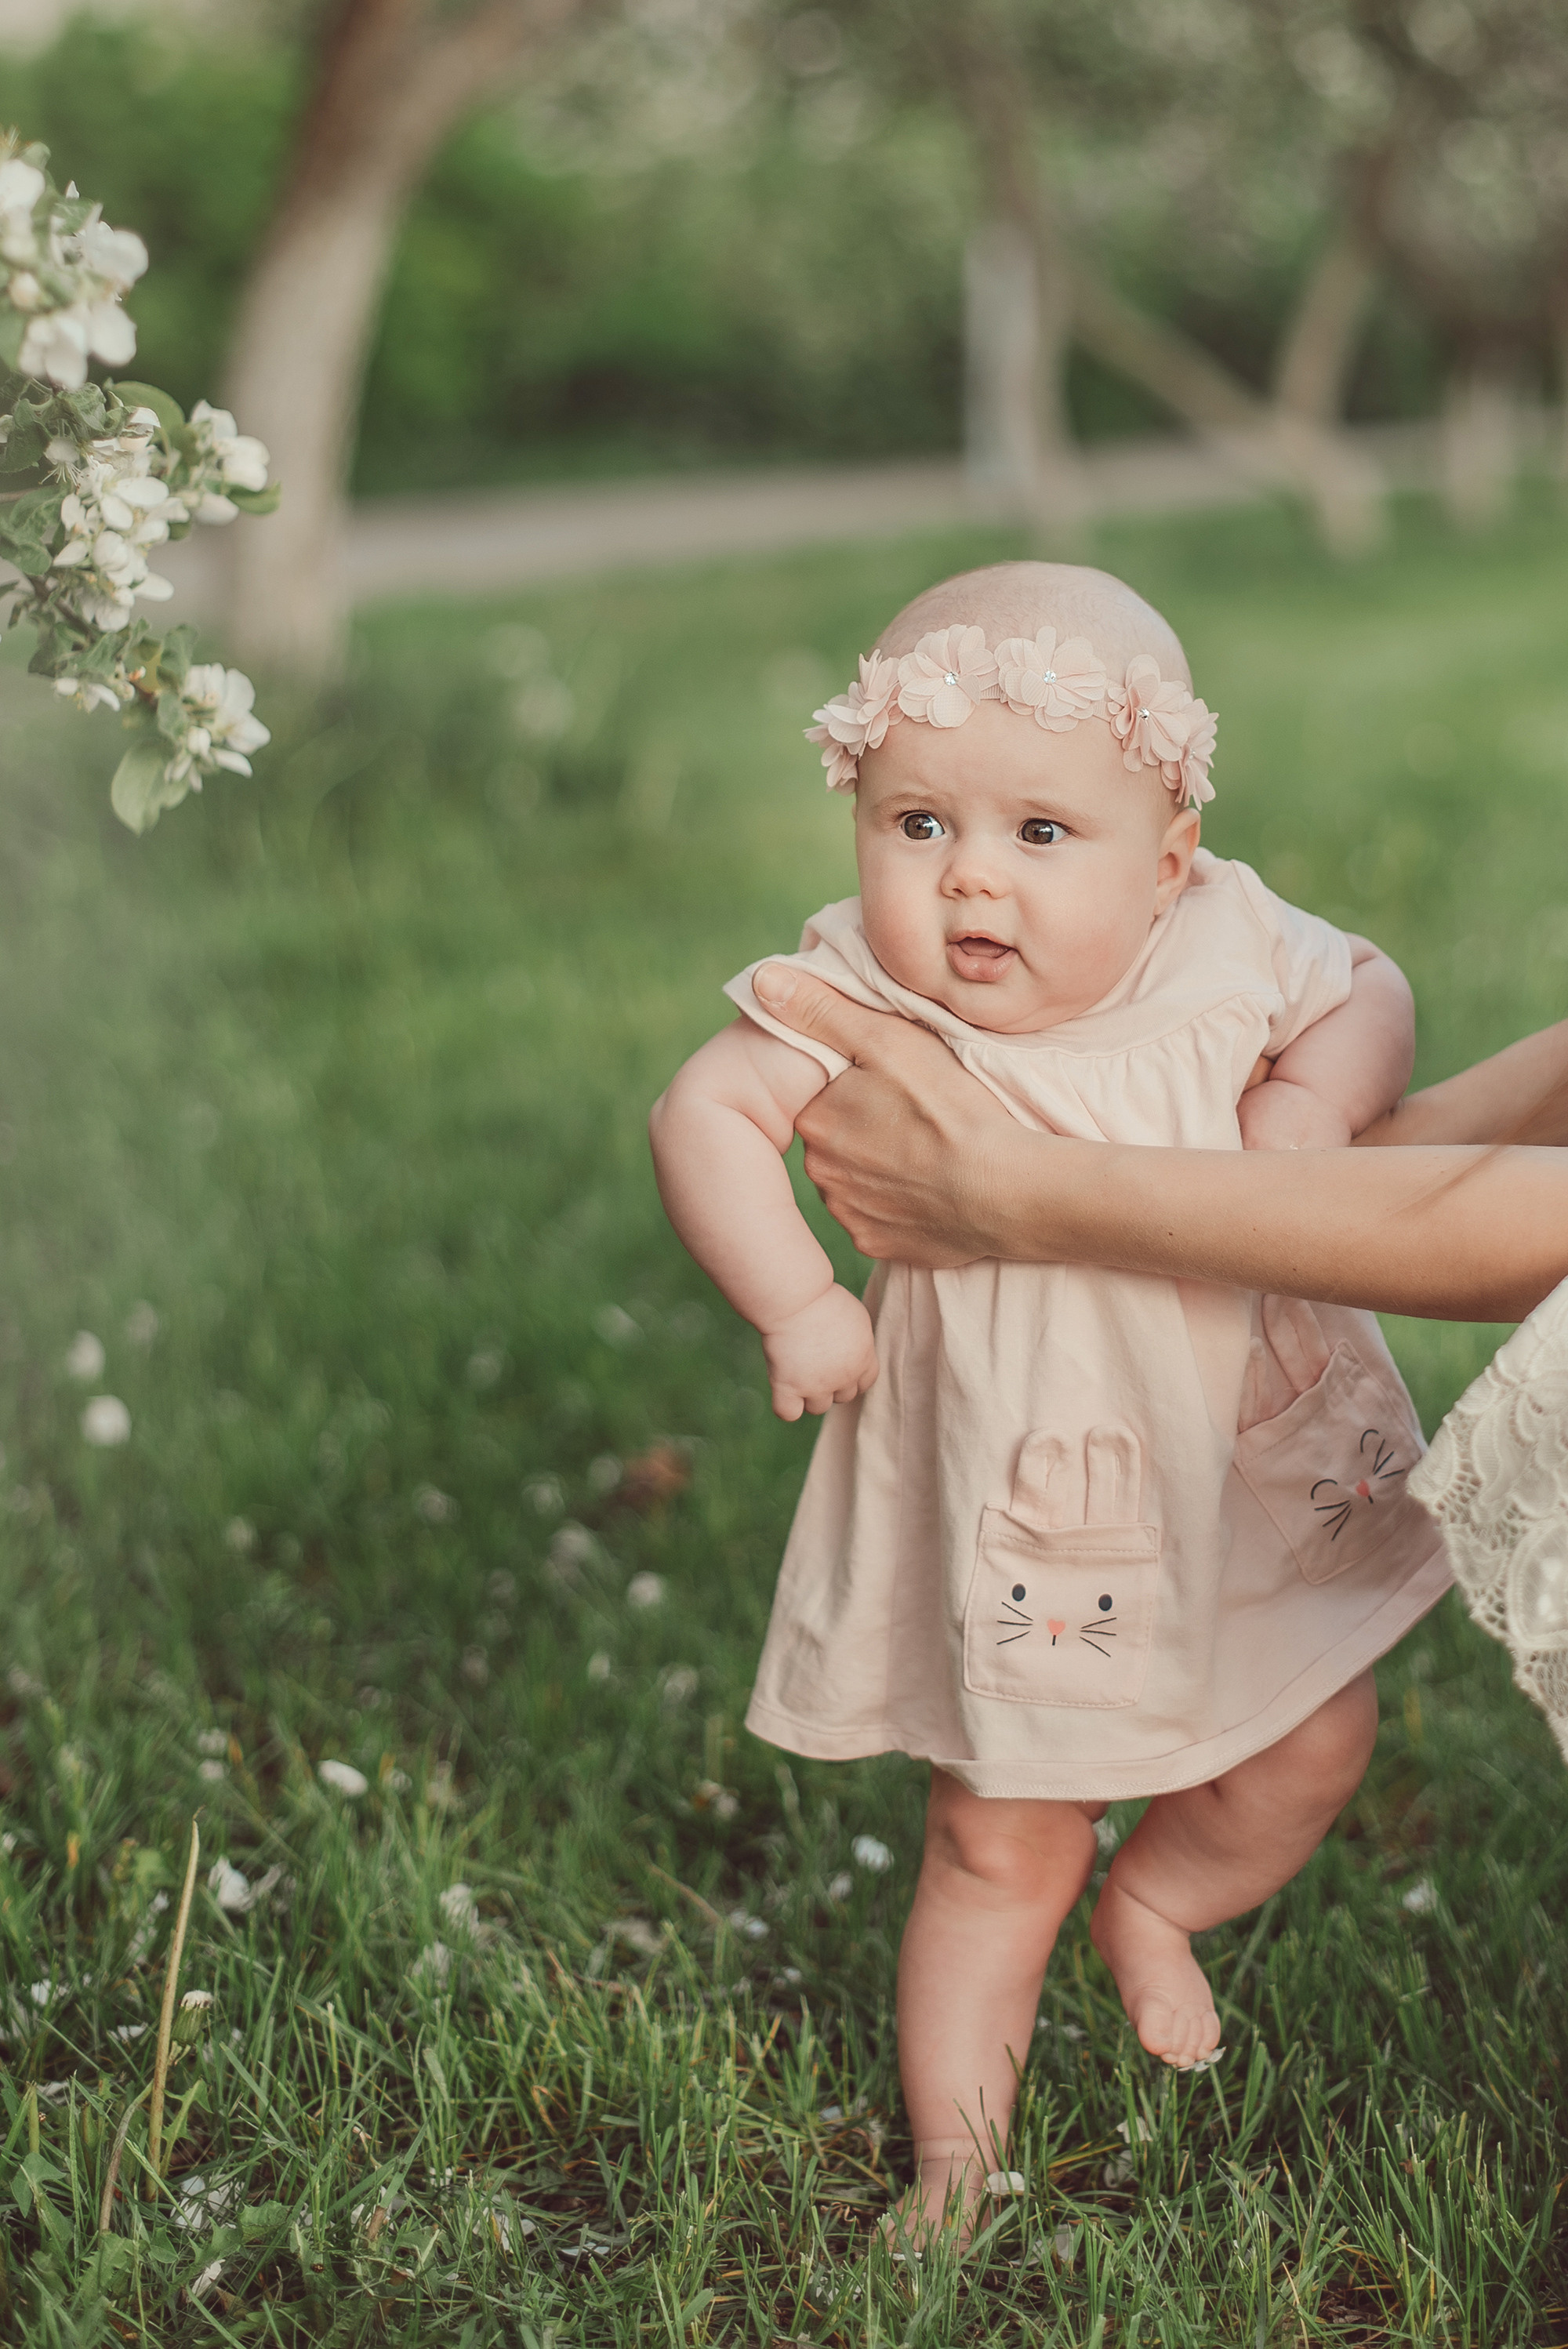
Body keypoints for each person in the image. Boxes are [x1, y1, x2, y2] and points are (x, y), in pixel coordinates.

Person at [649, 561, 1453, 2242]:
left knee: (1313, 1735)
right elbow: (707, 1108)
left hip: (1230, 1466)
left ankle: (1155, 1901)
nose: (967, 887)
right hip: (1036, 1503)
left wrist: (1313, 1103)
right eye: (917, 824)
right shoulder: (859, 995)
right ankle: (953, 2166)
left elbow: (1366, 981)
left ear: (1165, 856)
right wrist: (796, 1298)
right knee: (997, 1833)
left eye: (1039, 835)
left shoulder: (1229, 933)